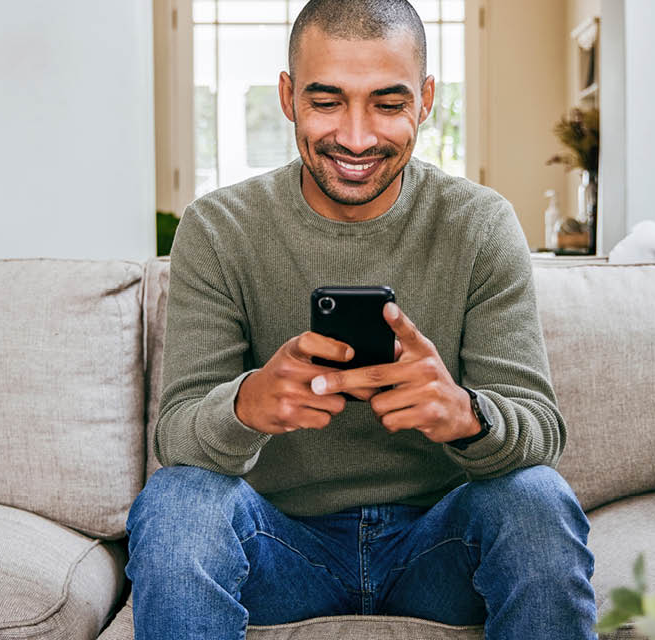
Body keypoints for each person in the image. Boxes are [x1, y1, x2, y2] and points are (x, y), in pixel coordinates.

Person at [124, 1, 597, 638]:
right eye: (327, 101)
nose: (355, 136)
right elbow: (177, 436)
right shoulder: (219, 228)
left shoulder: (479, 224)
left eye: (387, 103)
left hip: (439, 551)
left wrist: (464, 414)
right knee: (178, 502)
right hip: (278, 551)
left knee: (536, 499)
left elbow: (541, 431)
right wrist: (248, 405)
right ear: (288, 96)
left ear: (425, 100)